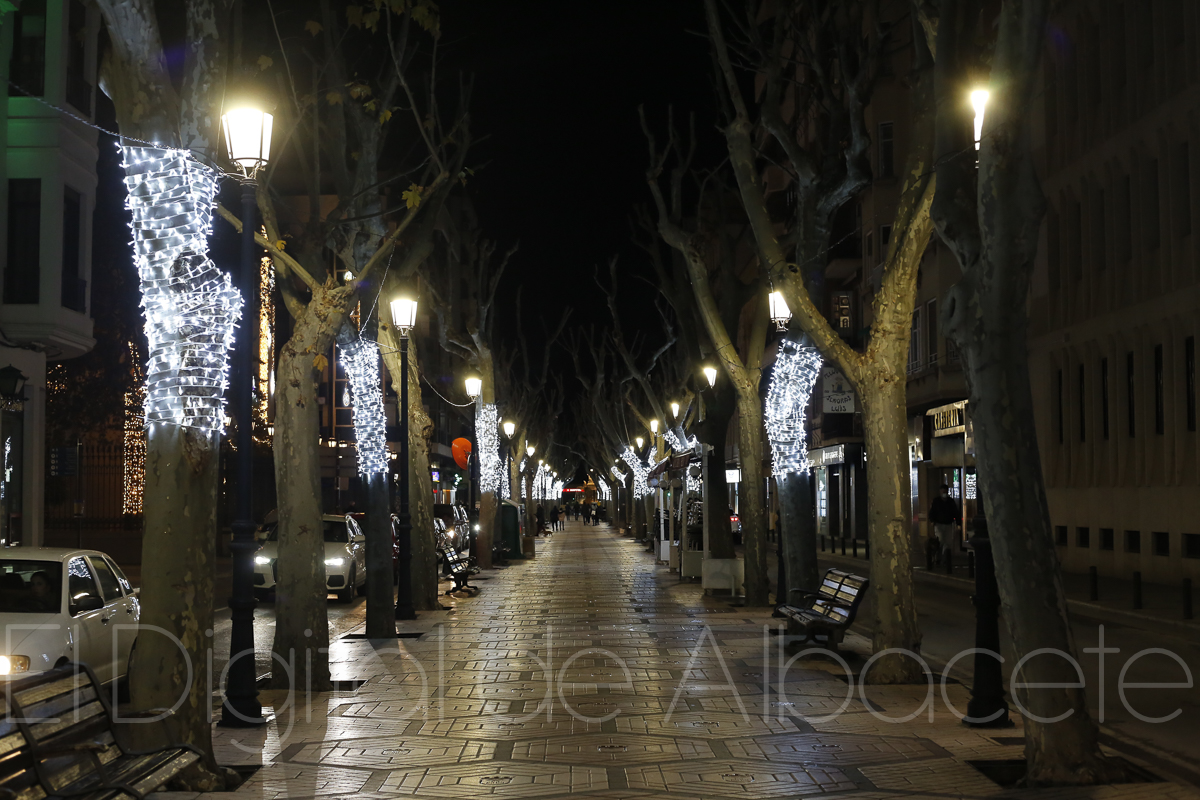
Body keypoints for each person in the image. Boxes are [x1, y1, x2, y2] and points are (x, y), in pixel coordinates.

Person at [929, 484, 960, 566]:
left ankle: (945, 558)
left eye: (945, 492)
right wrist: (932, 521)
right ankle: (938, 558)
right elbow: (932, 512)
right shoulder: (936, 501)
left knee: (948, 542)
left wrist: (958, 523)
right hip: (939, 524)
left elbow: (955, 512)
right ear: (940, 492)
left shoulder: (950, 501)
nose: (944, 493)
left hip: (949, 524)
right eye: (943, 491)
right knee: (940, 541)